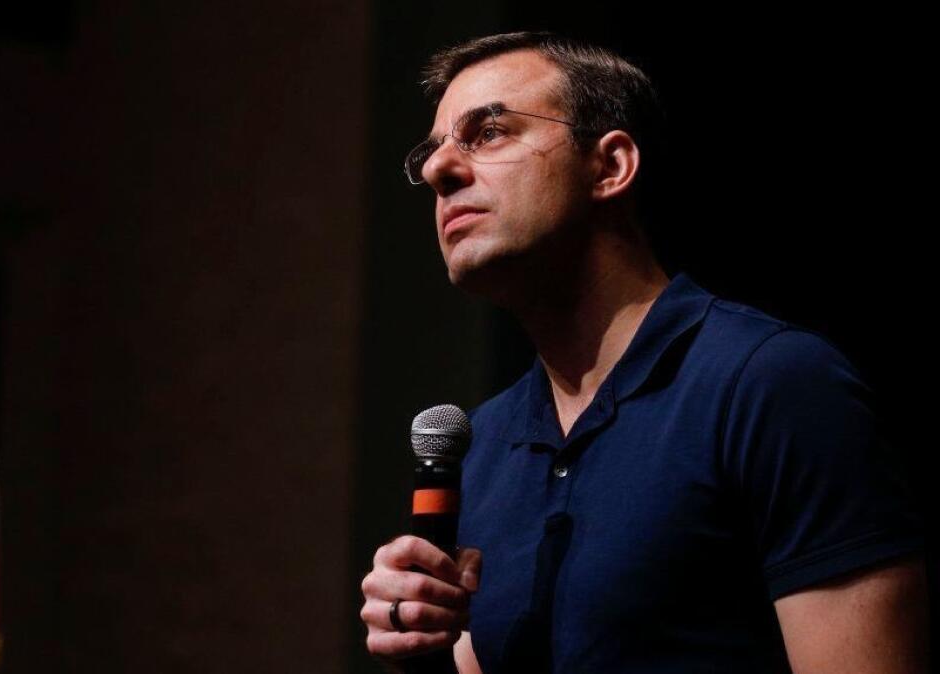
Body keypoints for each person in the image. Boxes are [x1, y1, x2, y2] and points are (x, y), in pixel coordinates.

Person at [359, 31, 929, 673]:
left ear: (610, 167)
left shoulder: (772, 384)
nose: (439, 169)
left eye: (489, 132)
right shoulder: (482, 442)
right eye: (432, 153)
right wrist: (423, 649)